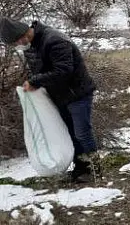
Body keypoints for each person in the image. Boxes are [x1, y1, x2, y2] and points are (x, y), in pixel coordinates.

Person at [0, 17, 99, 183]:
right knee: (71, 133)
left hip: (77, 92)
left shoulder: (54, 40)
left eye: (16, 42)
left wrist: (35, 82)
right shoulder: (30, 46)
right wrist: (33, 83)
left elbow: (64, 70)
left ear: (22, 35)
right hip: (60, 95)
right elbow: (40, 70)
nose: (17, 46)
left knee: (82, 132)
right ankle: (81, 167)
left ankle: (94, 169)